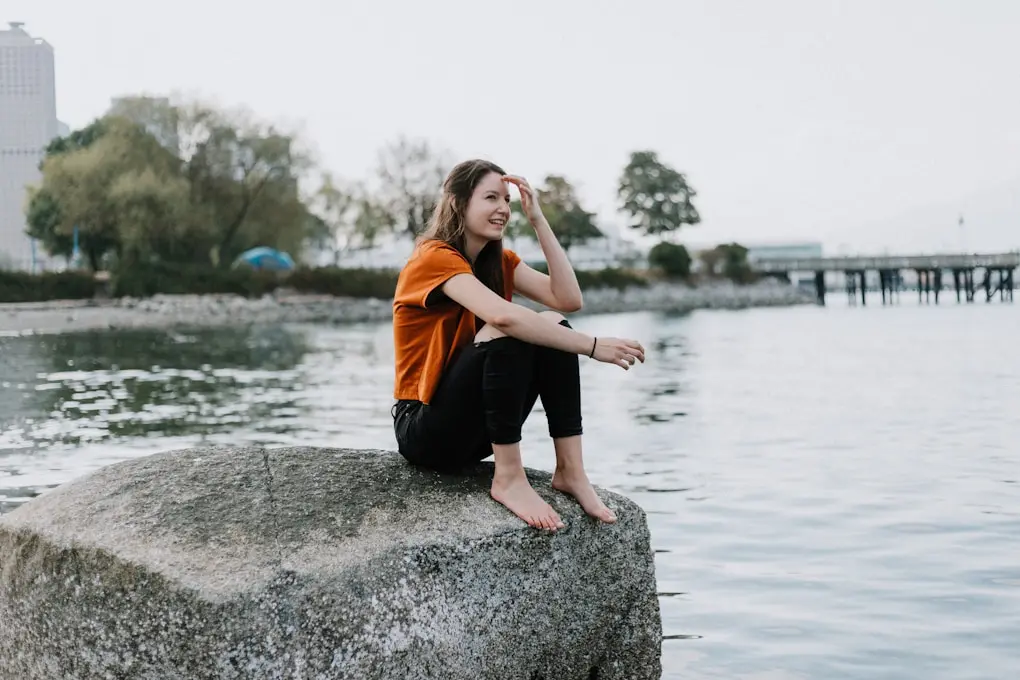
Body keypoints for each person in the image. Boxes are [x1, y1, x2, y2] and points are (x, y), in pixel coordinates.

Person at [391, 159, 646, 531]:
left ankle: (570, 470)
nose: (503, 209)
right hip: (425, 429)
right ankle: (509, 477)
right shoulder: (434, 257)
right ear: (459, 203)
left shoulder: (500, 261)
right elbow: (505, 318)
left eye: (507, 200)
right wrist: (591, 346)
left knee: (551, 323)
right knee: (509, 329)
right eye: (491, 197)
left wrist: (538, 219)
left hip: (476, 429)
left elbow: (567, 298)